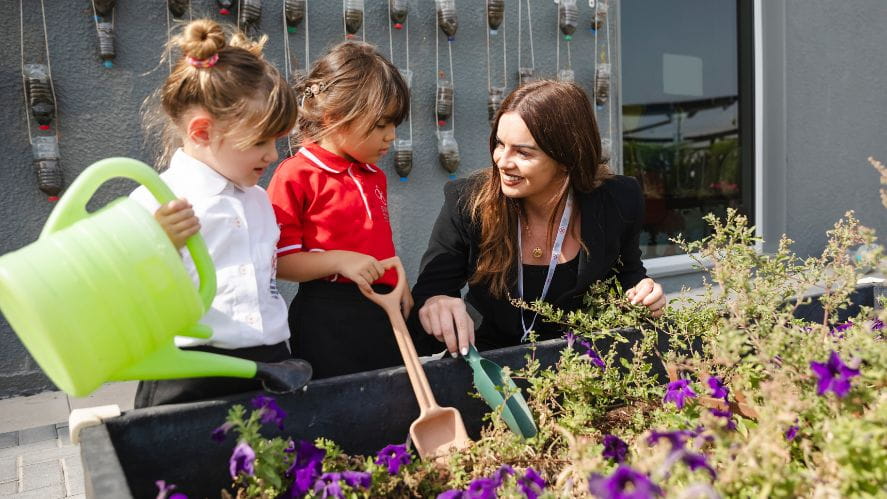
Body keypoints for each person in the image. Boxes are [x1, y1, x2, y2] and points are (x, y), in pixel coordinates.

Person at [410, 80, 666, 356]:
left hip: (579, 370)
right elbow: (430, 293)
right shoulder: (467, 202)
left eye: (523, 152)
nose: (503, 161)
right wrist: (435, 303)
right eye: (499, 144)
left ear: (567, 158)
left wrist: (644, 294)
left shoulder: (618, 199)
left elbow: (627, 275)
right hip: (488, 368)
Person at [130, 19, 310, 407]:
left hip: (267, 358)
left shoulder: (258, 200)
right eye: (259, 141)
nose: (271, 155)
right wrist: (152, 243)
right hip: (190, 368)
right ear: (201, 133)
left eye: (276, 141)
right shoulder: (160, 199)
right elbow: (116, 284)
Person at [267, 41, 412, 379]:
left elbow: (376, 244)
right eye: (380, 125)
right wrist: (339, 260)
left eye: (394, 125)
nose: (391, 136)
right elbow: (279, 261)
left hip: (383, 309)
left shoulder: (373, 174)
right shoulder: (296, 174)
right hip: (327, 317)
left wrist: (394, 278)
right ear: (334, 117)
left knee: (393, 404)